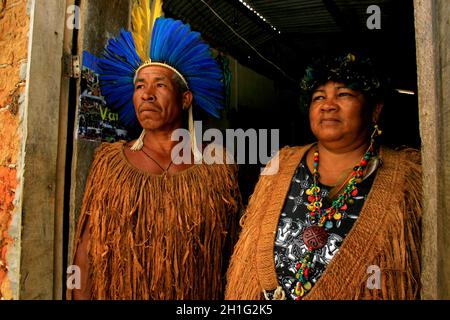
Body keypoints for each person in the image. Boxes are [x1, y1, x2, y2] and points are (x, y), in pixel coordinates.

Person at [70, 0, 241, 300]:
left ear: (186, 99)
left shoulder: (217, 168)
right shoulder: (109, 164)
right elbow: (86, 249)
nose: (146, 95)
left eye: (159, 85)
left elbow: (233, 255)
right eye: (139, 86)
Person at [225, 53, 422, 300]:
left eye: (343, 94)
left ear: (375, 109)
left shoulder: (408, 179)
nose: (328, 104)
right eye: (319, 96)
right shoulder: (281, 163)